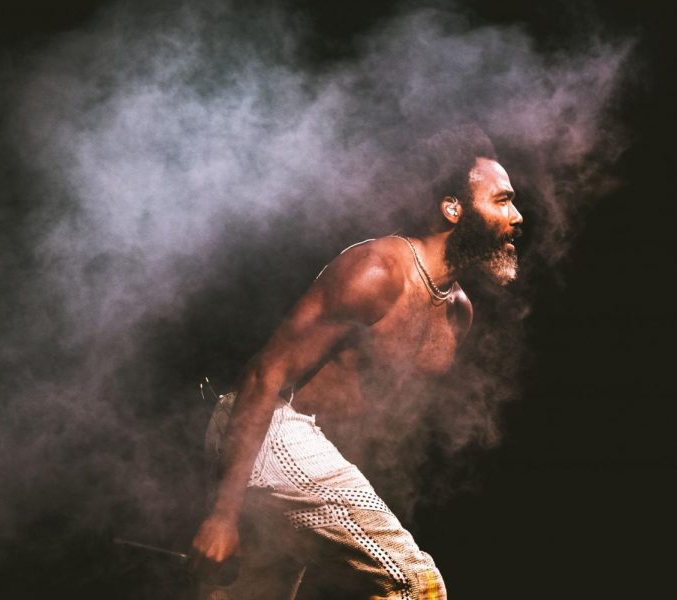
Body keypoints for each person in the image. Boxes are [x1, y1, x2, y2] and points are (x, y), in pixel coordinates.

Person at [190, 126, 523, 599]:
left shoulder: (458, 314)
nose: (517, 216)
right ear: (454, 208)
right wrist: (222, 514)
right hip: (267, 424)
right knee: (417, 584)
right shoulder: (376, 270)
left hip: (312, 449)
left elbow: (368, 409)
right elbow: (266, 375)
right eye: (502, 201)